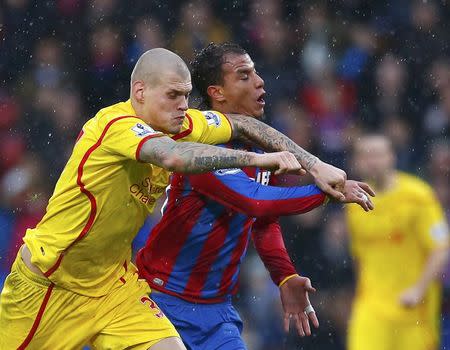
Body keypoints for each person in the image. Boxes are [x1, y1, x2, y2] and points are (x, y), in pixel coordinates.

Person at [0, 47, 327, 350]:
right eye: (172, 95)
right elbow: (171, 157)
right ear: (140, 92)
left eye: (185, 95)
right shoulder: (115, 125)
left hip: (114, 287)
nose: (183, 105)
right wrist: (257, 160)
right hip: (50, 283)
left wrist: (316, 165)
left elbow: (242, 125)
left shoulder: (181, 124)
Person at [136, 43, 375, 350]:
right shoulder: (202, 149)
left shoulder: (258, 147)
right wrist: (329, 194)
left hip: (216, 310)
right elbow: (256, 200)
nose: (259, 81)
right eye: (244, 75)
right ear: (217, 92)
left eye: (256, 72)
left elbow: (263, 219)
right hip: (163, 301)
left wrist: (285, 276)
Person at [346, 134, 449, 350]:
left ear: (391, 157)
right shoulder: (354, 202)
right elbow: (359, 256)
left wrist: (418, 289)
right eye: (365, 155)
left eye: (377, 154)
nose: (372, 161)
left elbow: (440, 248)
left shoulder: (418, 196)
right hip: (371, 308)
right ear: (357, 161)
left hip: (413, 309)